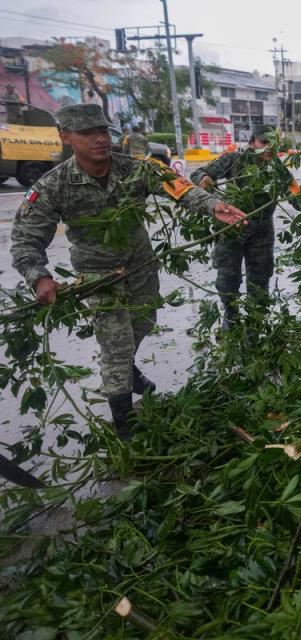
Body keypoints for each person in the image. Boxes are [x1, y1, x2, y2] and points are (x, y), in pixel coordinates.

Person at [10, 103, 247, 438]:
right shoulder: (53, 185)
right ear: (66, 136)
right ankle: (124, 424)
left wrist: (214, 206)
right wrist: (39, 276)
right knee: (116, 345)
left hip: (140, 267)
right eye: (87, 133)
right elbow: (24, 239)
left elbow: (177, 186)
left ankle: (128, 371)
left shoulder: (134, 169)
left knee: (144, 322)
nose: (99, 139)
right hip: (98, 278)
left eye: (103, 131)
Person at [191, 128, 301, 329]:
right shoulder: (234, 159)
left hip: (262, 231)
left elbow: (295, 192)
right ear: (252, 143)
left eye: (273, 144)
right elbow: (199, 172)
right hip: (232, 228)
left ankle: (256, 319)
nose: (269, 148)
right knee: (227, 276)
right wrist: (204, 179)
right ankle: (231, 312)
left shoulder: (277, 168)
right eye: (264, 143)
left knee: (260, 278)